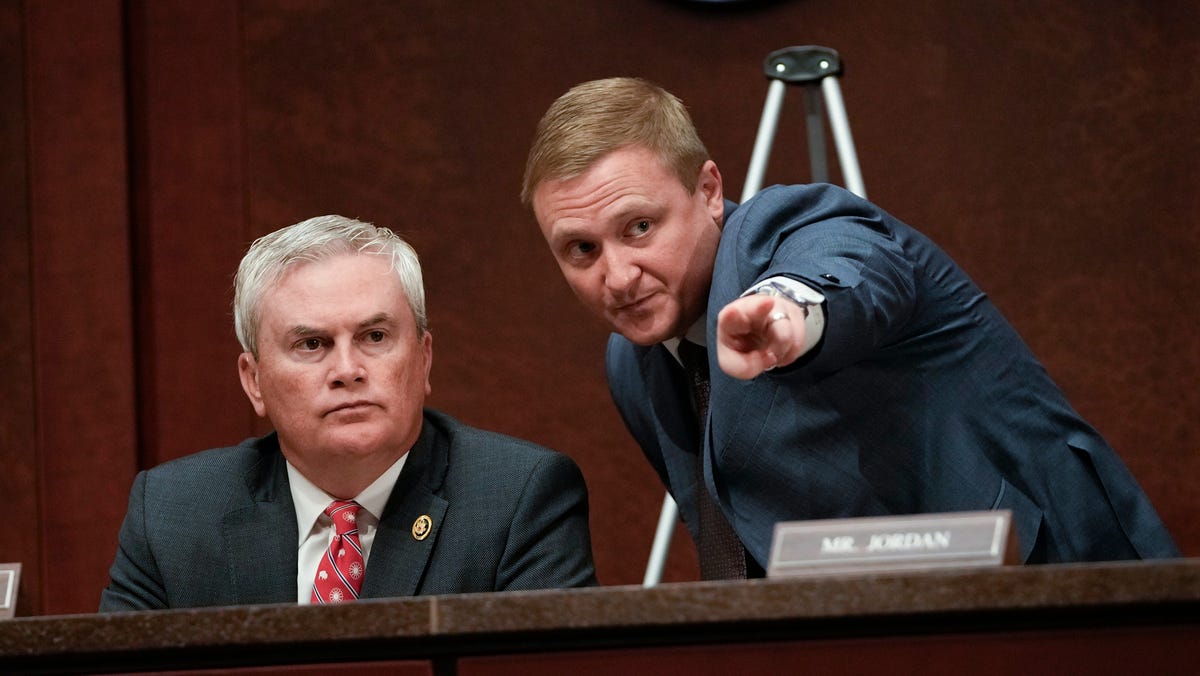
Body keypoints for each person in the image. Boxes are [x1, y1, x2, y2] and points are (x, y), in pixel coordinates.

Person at [521, 77, 1178, 577]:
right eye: (581, 250)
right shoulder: (630, 366)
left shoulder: (785, 227)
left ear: (710, 191)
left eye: (639, 227)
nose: (617, 274)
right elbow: (734, 527)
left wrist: (788, 316)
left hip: (1058, 574)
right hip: (873, 624)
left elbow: (854, 274)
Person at [100, 215, 596, 611]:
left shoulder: (519, 500)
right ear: (254, 381)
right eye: (311, 344)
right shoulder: (172, 516)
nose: (347, 369)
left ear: (423, 359)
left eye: (374, 337)